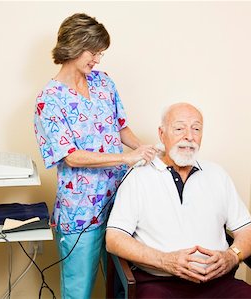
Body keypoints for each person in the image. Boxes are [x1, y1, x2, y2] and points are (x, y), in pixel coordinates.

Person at [33, 13, 157, 299]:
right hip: (80, 213)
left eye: (101, 53)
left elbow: (120, 127)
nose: (98, 60)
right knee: (79, 290)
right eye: (94, 52)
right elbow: (71, 157)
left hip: (119, 205)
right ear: (74, 46)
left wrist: (144, 150)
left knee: (122, 285)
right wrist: (126, 159)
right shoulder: (48, 100)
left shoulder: (103, 82)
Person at [106, 102, 251, 298]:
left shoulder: (217, 175)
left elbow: (248, 230)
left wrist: (231, 256)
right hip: (159, 284)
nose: (189, 136)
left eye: (196, 128)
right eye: (179, 128)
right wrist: (165, 261)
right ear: (162, 134)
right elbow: (114, 239)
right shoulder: (137, 177)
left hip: (218, 284)